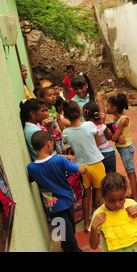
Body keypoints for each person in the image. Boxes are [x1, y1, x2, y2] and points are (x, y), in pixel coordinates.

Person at [27, 130, 87, 252]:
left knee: (64, 229)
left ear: (34, 148)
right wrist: (86, 168)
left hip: (52, 207)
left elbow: (31, 179)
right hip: (67, 200)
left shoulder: (31, 167)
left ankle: (65, 245)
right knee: (70, 235)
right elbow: (80, 170)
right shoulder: (59, 161)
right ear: (49, 144)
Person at [62, 99, 106, 232]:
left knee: (86, 196)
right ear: (80, 112)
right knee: (100, 194)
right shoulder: (90, 125)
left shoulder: (66, 133)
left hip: (81, 167)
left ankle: (87, 224)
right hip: (96, 163)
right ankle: (103, 222)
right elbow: (98, 143)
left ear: (65, 116)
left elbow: (67, 145)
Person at [89, 173, 137, 252]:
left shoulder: (131, 204)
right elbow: (93, 246)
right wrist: (94, 228)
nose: (117, 204)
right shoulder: (99, 215)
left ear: (125, 193)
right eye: (111, 201)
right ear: (103, 197)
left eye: (121, 199)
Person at [106, 93, 137, 202]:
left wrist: (113, 133)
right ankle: (135, 192)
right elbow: (114, 133)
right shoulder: (116, 117)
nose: (106, 108)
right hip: (122, 148)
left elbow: (113, 137)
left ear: (114, 108)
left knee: (130, 172)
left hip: (126, 148)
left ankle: (135, 197)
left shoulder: (123, 120)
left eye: (108, 106)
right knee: (129, 171)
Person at [83, 101, 117, 174]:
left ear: (85, 114)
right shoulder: (102, 126)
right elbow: (109, 137)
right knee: (112, 177)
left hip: (96, 156)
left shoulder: (85, 128)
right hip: (109, 153)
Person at [39, 86, 66, 154]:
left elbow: (58, 121)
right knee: (59, 153)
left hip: (58, 135)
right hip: (52, 137)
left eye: (54, 95)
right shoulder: (43, 111)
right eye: (49, 95)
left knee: (64, 150)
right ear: (42, 98)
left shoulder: (53, 107)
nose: (53, 97)